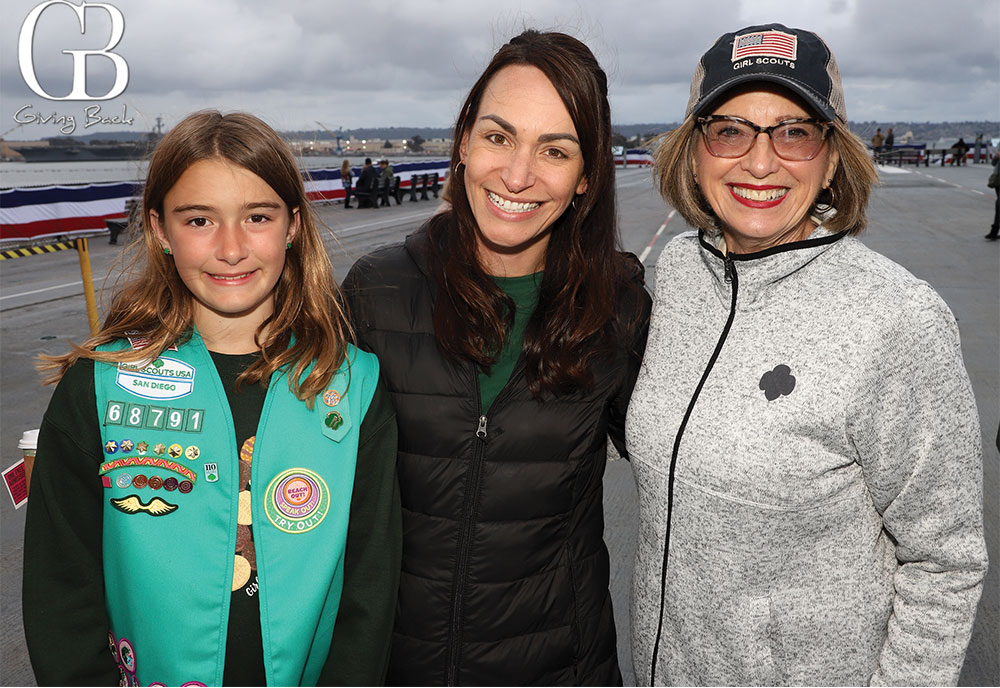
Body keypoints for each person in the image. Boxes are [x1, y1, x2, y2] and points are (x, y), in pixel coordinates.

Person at [627, 23, 987, 686]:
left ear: (832, 156)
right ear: (694, 150)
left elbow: (945, 560)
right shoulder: (676, 273)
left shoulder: (897, 318)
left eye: (794, 131)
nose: (760, 162)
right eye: (730, 129)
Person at [22, 111, 401, 687]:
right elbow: (61, 586)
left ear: (293, 225)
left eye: (257, 216)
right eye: (200, 219)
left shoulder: (352, 389)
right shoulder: (98, 386)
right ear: (159, 231)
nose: (231, 248)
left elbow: (370, 592)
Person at [342, 29, 651, 686]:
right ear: (463, 143)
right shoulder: (376, 291)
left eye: (555, 150)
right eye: (498, 136)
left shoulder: (620, 312)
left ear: (586, 177)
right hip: (391, 668)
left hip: (559, 666)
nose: (516, 175)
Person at [987, 152, 999, 240]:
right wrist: (996, 157)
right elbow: (993, 163)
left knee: (999, 204)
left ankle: (994, 231)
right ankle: (994, 231)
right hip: (998, 179)